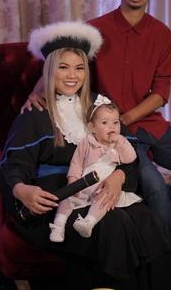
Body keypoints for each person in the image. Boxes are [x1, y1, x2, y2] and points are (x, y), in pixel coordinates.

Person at [0, 20, 171, 290]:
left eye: (79, 67)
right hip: (54, 202)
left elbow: (127, 157)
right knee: (116, 226)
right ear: (50, 71)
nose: (72, 75)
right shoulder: (34, 114)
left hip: (101, 190)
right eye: (63, 67)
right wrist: (22, 190)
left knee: (146, 221)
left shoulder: (98, 111)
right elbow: (14, 167)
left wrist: (118, 177)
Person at [23, 0, 171, 283]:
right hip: (111, 134)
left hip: (147, 123)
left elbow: (161, 91)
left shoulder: (162, 34)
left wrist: (127, 117)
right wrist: (36, 92)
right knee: (156, 187)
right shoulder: (94, 31)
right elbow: (60, 64)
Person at [49, 95, 141, 242]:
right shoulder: (87, 142)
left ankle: (88, 222)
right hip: (84, 184)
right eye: (105, 123)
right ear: (92, 127)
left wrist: (121, 141)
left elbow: (130, 158)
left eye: (116, 122)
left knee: (104, 200)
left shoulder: (118, 144)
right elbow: (76, 163)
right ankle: (58, 226)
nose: (112, 127)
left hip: (103, 187)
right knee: (67, 198)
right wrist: (73, 181)